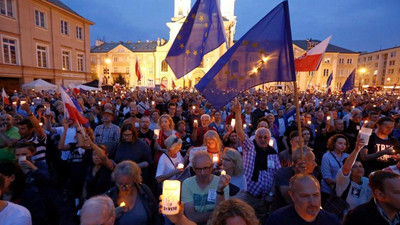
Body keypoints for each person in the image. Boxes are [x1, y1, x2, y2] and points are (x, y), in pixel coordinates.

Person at [232, 99, 280, 223]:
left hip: (264, 199)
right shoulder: (250, 147)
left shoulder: (273, 153)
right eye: (260, 137)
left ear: (269, 138)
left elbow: (276, 175)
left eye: (265, 137)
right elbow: (239, 131)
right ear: (255, 137)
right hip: (247, 195)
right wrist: (238, 113)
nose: (262, 139)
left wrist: (271, 194)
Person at [266, 174, 341, 225]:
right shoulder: (277, 220)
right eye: (305, 196)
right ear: (292, 196)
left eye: (316, 195)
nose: (312, 202)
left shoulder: (331, 221)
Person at [181, 151, 230, 225]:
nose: (203, 173)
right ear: (193, 169)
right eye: (199, 169)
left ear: (212, 167)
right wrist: (215, 213)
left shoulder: (222, 183)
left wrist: (220, 190)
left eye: (206, 168)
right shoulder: (187, 184)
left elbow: (222, 213)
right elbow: (191, 217)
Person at [105, 160, 161, 225]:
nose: (124, 188)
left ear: (135, 180)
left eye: (128, 184)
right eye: (120, 184)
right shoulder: (109, 197)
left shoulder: (144, 190)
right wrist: (111, 217)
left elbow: (156, 215)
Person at [270, 147, 318, 212]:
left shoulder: (311, 174)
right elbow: (289, 199)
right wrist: (299, 176)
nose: (315, 164)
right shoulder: (282, 173)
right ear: (300, 162)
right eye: (312, 160)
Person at [335, 134, 372, 212]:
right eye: (354, 167)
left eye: (360, 166)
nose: (359, 169)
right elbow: (346, 168)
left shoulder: (367, 181)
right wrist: (357, 149)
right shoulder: (343, 181)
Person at [321, 134, 350, 203]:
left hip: (344, 191)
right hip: (329, 191)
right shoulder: (326, 156)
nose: (343, 145)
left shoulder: (347, 156)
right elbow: (326, 177)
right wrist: (341, 182)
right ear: (333, 144)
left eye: (344, 144)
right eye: (340, 143)